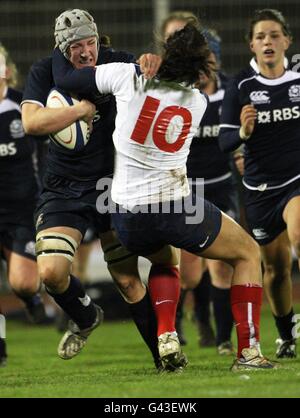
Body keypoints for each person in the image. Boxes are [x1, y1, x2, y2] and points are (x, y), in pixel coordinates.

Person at [52, 23, 276, 371]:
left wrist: (63, 46)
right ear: (203, 66)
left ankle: (167, 333)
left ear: (164, 53)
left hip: (124, 215)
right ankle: (248, 353)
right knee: (247, 252)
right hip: (174, 206)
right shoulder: (197, 101)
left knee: (163, 260)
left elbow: (67, 79)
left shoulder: (127, 75)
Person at [21, 9, 167, 371]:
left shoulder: (117, 62)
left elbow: (155, 91)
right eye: (76, 47)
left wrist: (153, 64)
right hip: (63, 189)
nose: (86, 52)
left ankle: (163, 359)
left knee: (128, 279)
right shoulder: (45, 72)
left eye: (90, 43)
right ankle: (86, 316)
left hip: (111, 186)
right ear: (61, 46)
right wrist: (79, 111)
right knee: (51, 273)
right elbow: (31, 122)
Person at [219, 9, 298, 358]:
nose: (268, 41)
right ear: (251, 44)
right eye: (261, 36)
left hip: (296, 179)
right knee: (276, 269)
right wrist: (244, 131)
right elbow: (224, 142)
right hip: (261, 188)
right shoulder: (240, 85)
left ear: (287, 41)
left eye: (275, 35)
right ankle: (286, 335)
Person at [160, 12, 235, 355]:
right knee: (189, 275)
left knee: (222, 266)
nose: (206, 66)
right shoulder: (179, 98)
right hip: (188, 193)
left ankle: (221, 339)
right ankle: (176, 327)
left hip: (221, 188)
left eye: (211, 59)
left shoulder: (231, 94)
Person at [0, 44, 46, 330]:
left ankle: (31, 299)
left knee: (23, 282)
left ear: (6, 71)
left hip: (21, 209)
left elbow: (45, 151)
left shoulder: (22, 106)